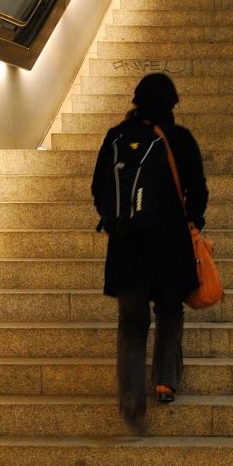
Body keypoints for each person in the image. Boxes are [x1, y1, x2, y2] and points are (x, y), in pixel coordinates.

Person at [91, 73, 208, 432]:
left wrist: (116, 221)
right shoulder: (181, 139)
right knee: (170, 311)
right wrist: (193, 222)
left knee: (131, 320)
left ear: (136, 101)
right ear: (172, 104)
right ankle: (165, 382)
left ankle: (130, 398)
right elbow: (198, 191)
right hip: (169, 246)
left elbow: (98, 189)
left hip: (127, 248)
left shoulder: (116, 137)